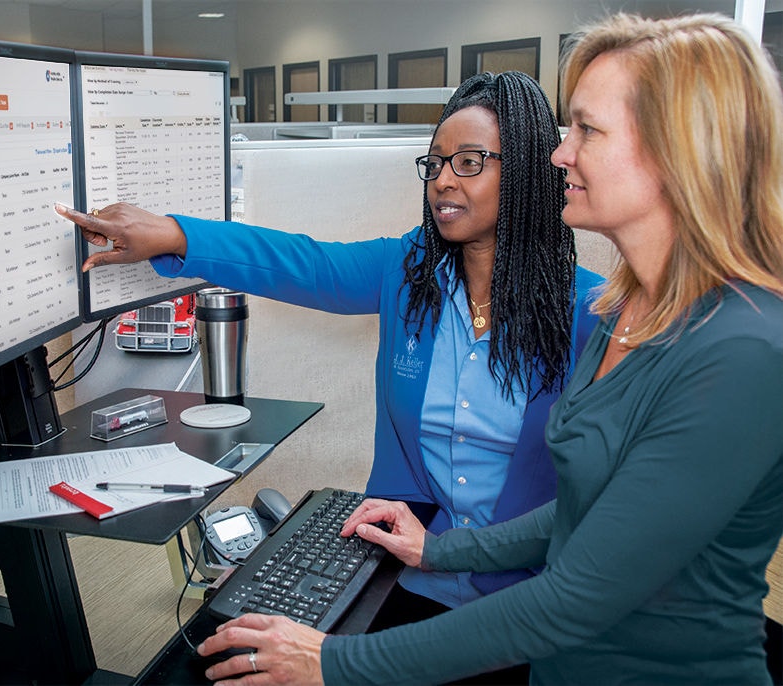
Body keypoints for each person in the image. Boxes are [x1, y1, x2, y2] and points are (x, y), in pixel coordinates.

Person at [181, 11, 783, 686]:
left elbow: (573, 598)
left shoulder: (742, 348)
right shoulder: (629, 311)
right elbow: (584, 511)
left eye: (587, 130)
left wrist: (332, 661)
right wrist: (440, 550)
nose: (559, 154)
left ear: (679, 151)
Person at [57, 72, 602, 636]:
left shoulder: (592, 314)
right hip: (406, 576)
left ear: (526, 172)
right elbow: (305, 263)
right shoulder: (409, 274)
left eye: (468, 162)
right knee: (225, 645)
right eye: (436, 163)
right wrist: (175, 234)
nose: (443, 180)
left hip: (526, 600)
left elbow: (601, 503)